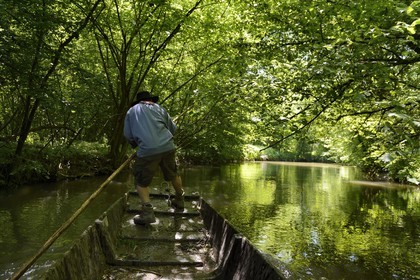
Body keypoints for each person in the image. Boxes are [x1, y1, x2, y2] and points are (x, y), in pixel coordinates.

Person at [124, 90, 185, 225]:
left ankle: (148, 212)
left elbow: (128, 135)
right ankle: (179, 199)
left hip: (147, 150)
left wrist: (136, 144)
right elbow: (173, 130)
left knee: (141, 182)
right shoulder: (160, 108)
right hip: (168, 147)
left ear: (139, 101)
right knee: (173, 174)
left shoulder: (132, 111)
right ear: (150, 100)